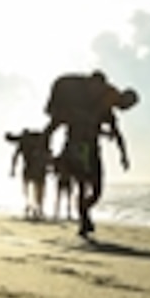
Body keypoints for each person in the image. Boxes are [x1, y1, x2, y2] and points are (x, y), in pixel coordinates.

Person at [41, 71, 139, 237]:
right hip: (75, 148)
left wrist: (123, 155)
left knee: (97, 189)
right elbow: (53, 125)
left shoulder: (106, 110)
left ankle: (84, 212)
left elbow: (117, 134)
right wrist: (46, 144)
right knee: (81, 185)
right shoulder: (74, 106)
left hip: (93, 149)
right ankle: (84, 220)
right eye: (127, 104)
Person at [6, 128, 52, 221]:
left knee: (27, 186)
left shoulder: (23, 142)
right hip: (40, 167)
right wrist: (49, 166)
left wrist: (13, 169)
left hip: (29, 166)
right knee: (39, 187)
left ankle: (29, 205)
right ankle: (39, 208)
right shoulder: (41, 140)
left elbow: (15, 156)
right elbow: (48, 154)